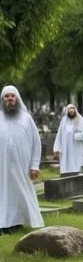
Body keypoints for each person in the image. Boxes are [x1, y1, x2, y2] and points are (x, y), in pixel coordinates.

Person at [0, 86, 44, 234]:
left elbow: (36, 143)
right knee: (3, 193)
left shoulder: (27, 118)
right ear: (3, 99)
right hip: (2, 166)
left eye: (12, 96)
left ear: (17, 98)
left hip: (22, 166)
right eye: (7, 96)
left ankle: (17, 222)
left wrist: (35, 165)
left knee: (20, 192)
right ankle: (3, 223)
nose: (10, 99)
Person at [53, 104, 83, 176]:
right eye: (70, 109)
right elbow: (59, 135)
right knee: (65, 170)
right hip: (65, 152)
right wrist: (56, 149)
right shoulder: (64, 121)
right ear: (67, 111)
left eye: (73, 108)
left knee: (75, 170)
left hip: (76, 152)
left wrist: (77, 136)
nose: (71, 110)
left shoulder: (80, 120)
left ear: (75, 110)